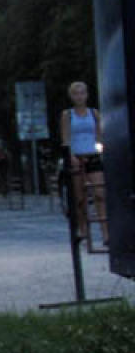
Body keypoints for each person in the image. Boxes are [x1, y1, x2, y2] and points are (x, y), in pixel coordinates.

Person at [59, 81, 107, 250]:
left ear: (87, 94)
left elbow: (100, 134)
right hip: (76, 156)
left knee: (100, 193)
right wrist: (70, 154)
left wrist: (101, 147)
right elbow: (65, 137)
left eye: (82, 93)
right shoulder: (68, 115)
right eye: (76, 93)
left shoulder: (94, 113)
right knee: (80, 198)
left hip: (92, 154)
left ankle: (105, 232)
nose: (80, 96)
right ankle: (84, 230)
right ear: (71, 96)